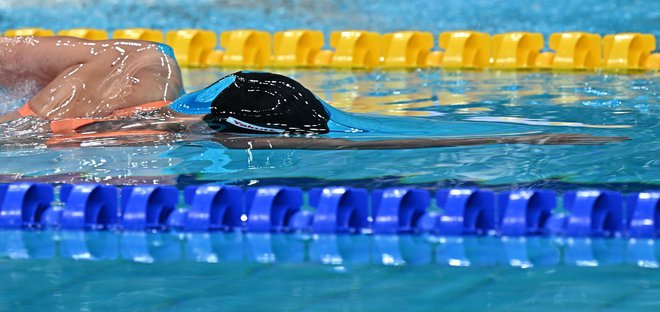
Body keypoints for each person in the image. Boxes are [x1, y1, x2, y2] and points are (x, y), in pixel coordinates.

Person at [0, 36, 627, 149]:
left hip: (208, 105)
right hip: (192, 111)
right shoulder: (150, 116)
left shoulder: (154, 92)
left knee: (151, 62)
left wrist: (550, 134)